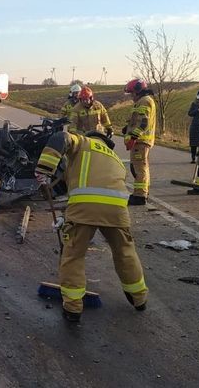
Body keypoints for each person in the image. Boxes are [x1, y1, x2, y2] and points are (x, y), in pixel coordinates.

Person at [35, 130, 148, 322]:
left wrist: (44, 169)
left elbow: (60, 137)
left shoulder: (83, 142)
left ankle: (72, 308)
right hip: (117, 210)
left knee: (73, 255)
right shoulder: (116, 158)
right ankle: (139, 298)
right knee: (125, 252)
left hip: (85, 208)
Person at [122, 78, 156, 206]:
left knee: (139, 168)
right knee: (140, 167)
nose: (131, 96)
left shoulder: (144, 101)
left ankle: (140, 196)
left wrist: (133, 137)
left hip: (140, 141)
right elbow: (138, 120)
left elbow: (143, 122)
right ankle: (142, 192)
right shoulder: (145, 100)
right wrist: (128, 128)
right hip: (141, 140)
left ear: (137, 91)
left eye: (132, 93)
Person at [187, 93, 199, 163]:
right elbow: (190, 113)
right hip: (195, 126)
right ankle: (193, 158)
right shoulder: (194, 104)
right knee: (194, 143)